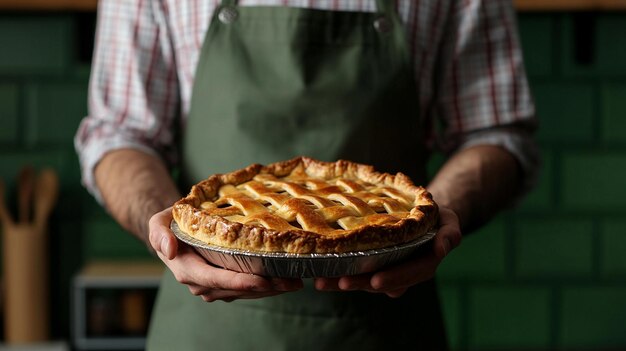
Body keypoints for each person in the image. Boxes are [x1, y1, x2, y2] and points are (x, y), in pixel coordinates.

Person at [75, 0, 539, 349]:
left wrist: (434, 219)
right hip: (207, 326)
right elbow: (120, 135)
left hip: (387, 322)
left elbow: (497, 133)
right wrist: (168, 233)